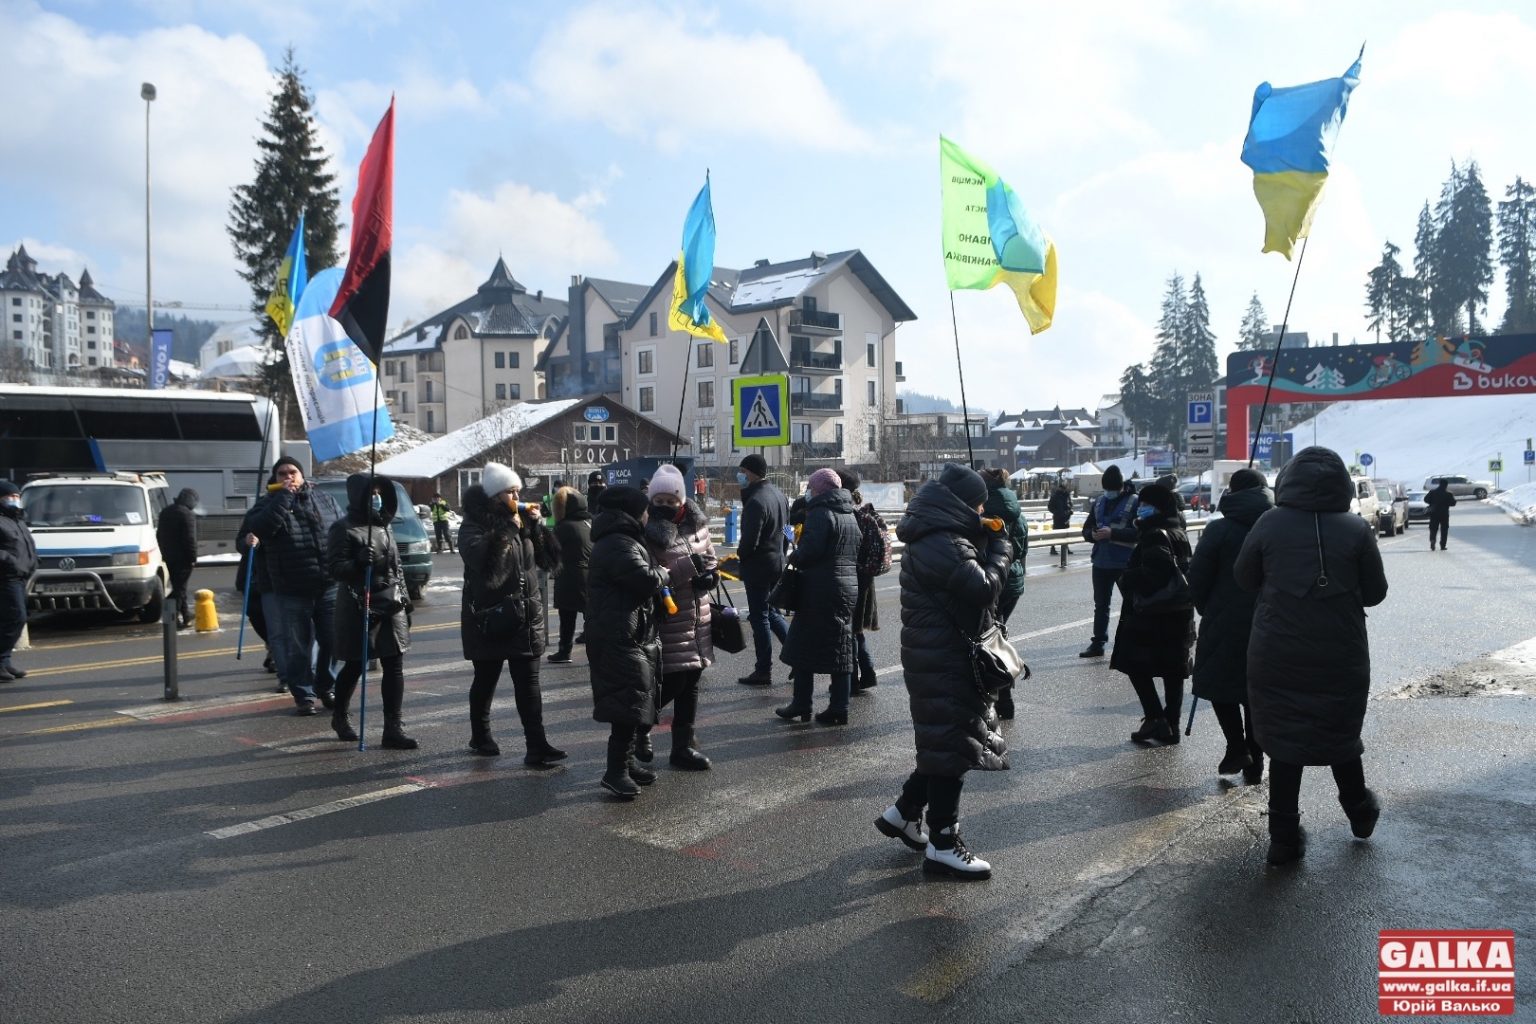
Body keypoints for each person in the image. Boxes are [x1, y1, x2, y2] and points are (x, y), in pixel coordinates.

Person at [1235, 447, 1388, 865]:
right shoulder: (1357, 529)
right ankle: (1358, 809)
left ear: (1287, 481)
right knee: (1338, 731)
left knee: (1285, 741)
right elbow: (1375, 593)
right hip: (1342, 649)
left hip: (1276, 649)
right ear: (1340, 484)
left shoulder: (1269, 523)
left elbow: (1244, 578)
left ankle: (1283, 838)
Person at [876, 463, 1010, 881]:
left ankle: (903, 814)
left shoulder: (939, 534)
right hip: (945, 657)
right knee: (951, 749)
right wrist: (1001, 550)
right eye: (979, 505)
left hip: (938, 654)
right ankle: (944, 845)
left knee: (945, 741)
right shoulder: (944, 542)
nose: (983, 510)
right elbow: (984, 589)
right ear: (965, 504)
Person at [457, 463, 566, 765]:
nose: (517, 497)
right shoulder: (473, 526)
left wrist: (539, 529)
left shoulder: (518, 522)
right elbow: (487, 566)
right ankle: (480, 734)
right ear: (495, 495)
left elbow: (549, 562)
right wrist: (508, 530)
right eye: (510, 492)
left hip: (525, 615)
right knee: (486, 679)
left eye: (518, 491)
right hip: (490, 617)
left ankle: (537, 745)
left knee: (529, 683)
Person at [1189, 469, 1273, 782]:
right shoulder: (1277, 527)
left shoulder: (1219, 529)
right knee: (1256, 691)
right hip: (1270, 620)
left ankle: (1236, 745)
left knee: (1220, 684)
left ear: (1232, 493)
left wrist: (1207, 608)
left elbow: (1197, 577)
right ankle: (1256, 759)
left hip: (1224, 619)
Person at [323, 473, 417, 748]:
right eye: (371, 493)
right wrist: (357, 563)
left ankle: (393, 728)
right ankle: (340, 716)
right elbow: (335, 569)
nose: (376, 498)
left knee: (394, 663)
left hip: (390, 601)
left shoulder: (384, 525)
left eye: (379, 493)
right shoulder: (343, 528)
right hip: (357, 603)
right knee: (354, 664)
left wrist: (407, 602)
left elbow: (396, 567)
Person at [587, 485, 669, 799]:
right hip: (618, 634)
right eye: (645, 509)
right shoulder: (617, 543)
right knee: (627, 703)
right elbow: (645, 579)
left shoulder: (624, 540)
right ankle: (615, 771)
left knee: (635, 700)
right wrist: (662, 573)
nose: (648, 514)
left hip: (629, 631)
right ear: (632, 512)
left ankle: (628, 762)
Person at [637, 464, 718, 770]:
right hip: (669, 619)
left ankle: (682, 747)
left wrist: (710, 578)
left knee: (692, 683)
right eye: (659, 502)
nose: (666, 507)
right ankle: (637, 729)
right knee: (671, 683)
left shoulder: (698, 525)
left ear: (682, 501)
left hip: (699, 617)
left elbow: (710, 561)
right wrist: (689, 569)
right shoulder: (648, 532)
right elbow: (650, 577)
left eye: (672, 502)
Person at [246, 456, 341, 715]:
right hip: (291, 588)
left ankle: (325, 685)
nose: (288, 476)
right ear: (275, 479)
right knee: (298, 646)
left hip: (328, 585)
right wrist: (284, 498)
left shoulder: (324, 499)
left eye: (293, 472)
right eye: (282, 473)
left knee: (333, 641)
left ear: (302, 475)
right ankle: (304, 695)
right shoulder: (266, 504)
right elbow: (262, 528)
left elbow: (340, 531)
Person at [1109, 483, 1195, 745]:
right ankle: (1172, 726)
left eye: (1145, 504)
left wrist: (1125, 577)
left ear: (1156, 507)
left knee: (1135, 666)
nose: (1140, 508)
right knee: (1173, 672)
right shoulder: (1178, 531)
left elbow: (1153, 575)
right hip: (1179, 613)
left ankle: (1155, 718)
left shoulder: (1155, 534)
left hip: (1153, 616)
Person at [774, 468, 860, 725]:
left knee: (802, 646)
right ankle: (839, 707)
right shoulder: (850, 514)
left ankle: (802, 703)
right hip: (847, 587)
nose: (808, 492)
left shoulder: (821, 513)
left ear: (820, 489)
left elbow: (809, 552)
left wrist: (794, 554)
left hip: (819, 588)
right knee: (841, 648)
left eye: (810, 487)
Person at [734, 454, 791, 686]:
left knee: (760, 617)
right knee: (773, 613)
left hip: (758, 567)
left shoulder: (755, 501)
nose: (740, 476)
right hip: (777, 562)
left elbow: (749, 541)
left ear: (751, 472)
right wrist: (784, 551)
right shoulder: (779, 495)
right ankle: (797, 659)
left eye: (742, 471)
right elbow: (787, 529)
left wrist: (739, 557)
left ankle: (763, 670)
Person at [981, 468, 1029, 719]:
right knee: (998, 636)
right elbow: (1023, 549)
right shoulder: (1017, 512)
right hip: (1013, 580)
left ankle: (1003, 698)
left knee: (990, 640)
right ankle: (1003, 699)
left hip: (992, 579)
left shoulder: (984, 512)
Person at [1079, 466, 1139, 658]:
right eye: (1106, 489)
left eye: (1112, 488)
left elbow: (1140, 532)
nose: (1109, 493)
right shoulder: (1099, 502)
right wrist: (1092, 535)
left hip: (1125, 563)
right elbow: (1086, 529)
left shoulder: (1134, 502)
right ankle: (1098, 643)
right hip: (1101, 561)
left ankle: (1133, 642)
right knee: (1101, 605)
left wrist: (1113, 533)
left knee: (1132, 604)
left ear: (1121, 487)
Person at [548, 485, 592, 664]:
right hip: (590, 573)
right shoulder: (589, 523)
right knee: (590, 614)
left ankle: (564, 651)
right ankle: (595, 646)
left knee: (567, 617)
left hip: (569, 575)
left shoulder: (563, 527)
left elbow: (551, 551)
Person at [0, 480, 38, 681]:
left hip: (21, 576)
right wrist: (10, 561)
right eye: (9, 497)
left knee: (11, 619)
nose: (14, 500)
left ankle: (5, 662)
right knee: (16, 618)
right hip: (6, 577)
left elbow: (28, 545)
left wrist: (34, 562)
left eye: (16, 496)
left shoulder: (16, 520)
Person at [235, 506, 277, 681]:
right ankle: (273, 646)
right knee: (254, 612)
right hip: (253, 576)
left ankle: (277, 655)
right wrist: (247, 541)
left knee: (278, 619)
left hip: (277, 575)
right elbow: (239, 542)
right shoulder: (256, 512)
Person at [156, 488, 199, 628]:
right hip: (183, 558)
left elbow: (159, 535)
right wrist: (193, 557)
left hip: (169, 556)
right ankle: (172, 618)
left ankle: (186, 615)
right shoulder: (187, 514)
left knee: (179, 586)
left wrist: (164, 551)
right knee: (179, 589)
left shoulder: (165, 512)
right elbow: (190, 539)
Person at [1425, 477, 1457, 551]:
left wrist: (1432, 503)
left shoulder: (1433, 492)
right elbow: (1453, 503)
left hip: (1434, 513)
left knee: (1433, 529)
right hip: (1444, 514)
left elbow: (1426, 499)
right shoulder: (1448, 494)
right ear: (1446, 485)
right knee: (1444, 530)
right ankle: (1443, 545)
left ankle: (1432, 540)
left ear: (1439, 484)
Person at [1047, 483, 1072, 556]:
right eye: (1062, 488)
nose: (1063, 490)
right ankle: (1053, 548)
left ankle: (1066, 548)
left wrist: (1069, 511)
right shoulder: (1055, 496)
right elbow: (1050, 507)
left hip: (1066, 518)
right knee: (1056, 534)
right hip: (1058, 518)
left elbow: (1070, 504)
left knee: (1066, 534)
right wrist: (1056, 512)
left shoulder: (1067, 496)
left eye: (1064, 488)